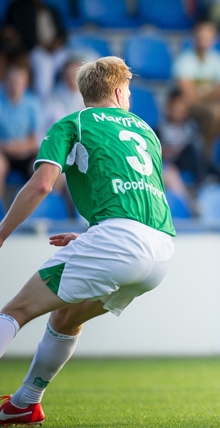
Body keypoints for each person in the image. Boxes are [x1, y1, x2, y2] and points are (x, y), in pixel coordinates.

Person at [0, 56, 176, 425]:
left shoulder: (74, 122)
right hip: (161, 249)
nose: (129, 98)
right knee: (66, 318)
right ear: (118, 92)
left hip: (117, 240)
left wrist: (1, 234)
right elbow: (138, 197)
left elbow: (42, 185)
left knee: (15, 312)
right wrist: (93, 236)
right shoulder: (147, 132)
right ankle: (25, 403)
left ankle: (26, 401)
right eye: (128, 92)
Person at [172, 18, 220, 155]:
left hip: (209, 105)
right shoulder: (183, 61)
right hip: (189, 107)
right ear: (193, 37)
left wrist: (200, 94)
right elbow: (187, 95)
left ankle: (207, 152)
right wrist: (211, 95)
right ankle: (206, 154)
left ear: (214, 38)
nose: (203, 39)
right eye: (200, 36)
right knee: (217, 113)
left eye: (207, 36)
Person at [0, 62, 41, 201]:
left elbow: (34, 140)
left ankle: (34, 208)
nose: (14, 85)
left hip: (25, 153)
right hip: (2, 152)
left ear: (25, 83)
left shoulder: (32, 103)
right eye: (11, 81)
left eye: (18, 81)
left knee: (42, 168)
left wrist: (15, 147)